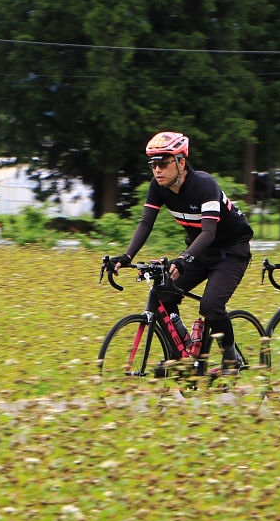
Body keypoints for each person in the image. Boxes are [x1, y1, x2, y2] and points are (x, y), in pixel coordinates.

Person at [108, 131, 253, 369]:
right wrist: (126, 257)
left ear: (181, 162)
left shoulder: (205, 185)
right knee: (162, 297)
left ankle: (230, 357)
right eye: (153, 165)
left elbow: (209, 232)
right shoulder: (158, 186)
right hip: (200, 252)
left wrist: (184, 258)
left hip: (231, 251)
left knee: (210, 307)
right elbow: (146, 223)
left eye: (163, 164)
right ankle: (183, 352)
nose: (157, 170)